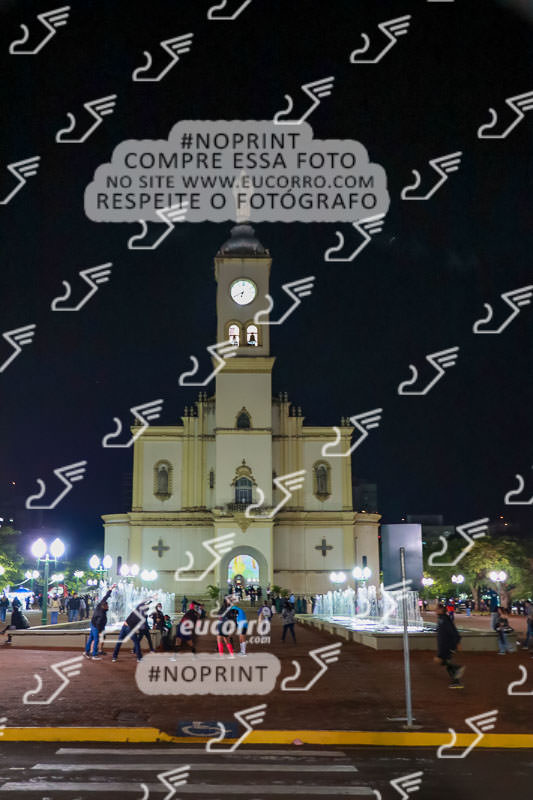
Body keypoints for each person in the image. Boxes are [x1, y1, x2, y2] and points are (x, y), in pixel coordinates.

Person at [435, 603, 464, 688]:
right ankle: (456, 679)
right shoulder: (442, 618)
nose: (435, 610)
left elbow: (452, 632)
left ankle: (457, 672)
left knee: (444, 661)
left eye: (437, 608)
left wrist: (457, 643)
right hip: (446, 645)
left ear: (441, 610)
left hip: (447, 645)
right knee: (445, 662)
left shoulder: (444, 619)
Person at [85, 584, 116, 660]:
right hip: (96, 626)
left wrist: (111, 589)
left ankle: (87, 652)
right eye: (107, 606)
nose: (108, 607)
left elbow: (106, 597)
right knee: (96, 640)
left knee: (91, 638)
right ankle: (94, 655)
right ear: (104, 607)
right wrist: (99, 631)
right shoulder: (102, 614)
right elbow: (99, 623)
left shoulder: (100, 605)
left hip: (93, 624)